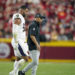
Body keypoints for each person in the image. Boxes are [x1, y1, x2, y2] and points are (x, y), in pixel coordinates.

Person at [9, 5, 29, 75]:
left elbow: (19, 28)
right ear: (22, 10)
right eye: (26, 11)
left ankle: (15, 73)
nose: (27, 13)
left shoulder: (22, 17)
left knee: (18, 58)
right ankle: (14, 72)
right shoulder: (18, 15)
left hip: (21, 40)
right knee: (26, 58)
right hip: (18, 41)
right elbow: (15, 30)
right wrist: (16, 41)